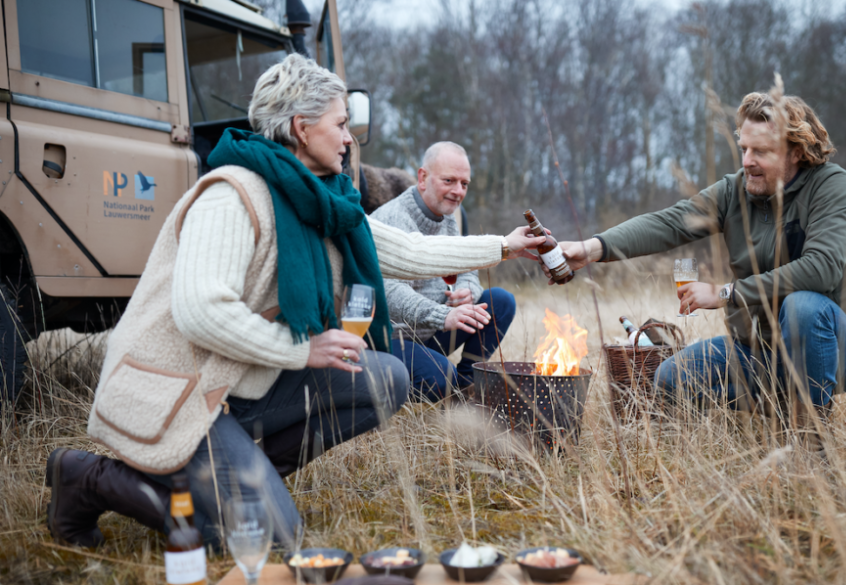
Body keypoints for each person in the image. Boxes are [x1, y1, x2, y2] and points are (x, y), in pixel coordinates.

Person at [44, 54, 545, 549]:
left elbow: (411, 250)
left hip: (239, 382)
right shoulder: (232, 194)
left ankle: (244, 478)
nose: (350, 138)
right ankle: (85, 477)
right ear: (302, 128)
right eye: (341, 124)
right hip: (177, 390)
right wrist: (301, 351)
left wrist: (506, 245)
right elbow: (201, 311)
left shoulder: (319, 201)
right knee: (266, 538)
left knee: (387, 375)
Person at [557, 93, 846, 446]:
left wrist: (726, 292)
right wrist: (592, 248)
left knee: (803, 307)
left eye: (762, 152)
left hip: (836, 349)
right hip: (759, 352)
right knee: (670, 377)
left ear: (795, 151)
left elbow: (823, 268)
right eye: (743, 149)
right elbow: (669, 223)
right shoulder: (734, 190)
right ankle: (779, 411)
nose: (747, 162)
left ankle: (810, 444)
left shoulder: (832, 186)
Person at [370, 142, 515, 401]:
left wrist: (467, 291)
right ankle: (441, 385)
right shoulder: (394, 218)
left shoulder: (448, 214)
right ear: (422, 177)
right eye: (449, 180)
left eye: (464, 184)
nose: (458, 191)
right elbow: (390, 294)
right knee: (440, 378)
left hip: (434, 331)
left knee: (501, 301)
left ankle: (467, 389)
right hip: (391, 340)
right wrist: (442, 316)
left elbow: (467, 270)